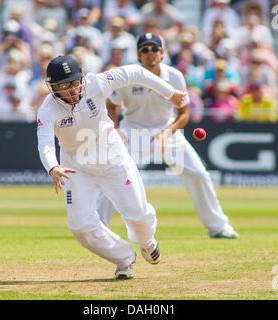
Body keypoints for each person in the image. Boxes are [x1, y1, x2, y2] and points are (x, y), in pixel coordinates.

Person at [37, 55, 186, 279]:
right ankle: (124, 258)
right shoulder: (47, 110)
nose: (71, 90)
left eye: (74, 82)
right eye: (63, 86)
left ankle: (146, 242)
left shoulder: (97, 83)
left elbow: (137, 72)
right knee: (80, 227)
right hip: (76, 167)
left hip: (112, 158)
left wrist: (169, 93)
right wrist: (52, 167)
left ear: (82, 78)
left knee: (138, 214)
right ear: (53, 87)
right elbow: (45, 143)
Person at [96, 33, 239, 239]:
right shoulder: (128, 77)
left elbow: (183, 114)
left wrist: (166, 133)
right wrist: (116, 129)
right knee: (118, 175)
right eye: (145, 50)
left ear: (162, 53)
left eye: (154, 49)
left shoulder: (174, 77)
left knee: (198, 174)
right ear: (138, 55)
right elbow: (111, 104)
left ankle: (218, 227)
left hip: (167, 129)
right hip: (133, 130)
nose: (150, 53)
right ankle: (97, 227)